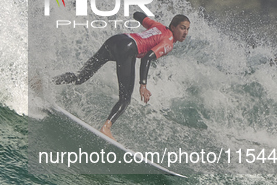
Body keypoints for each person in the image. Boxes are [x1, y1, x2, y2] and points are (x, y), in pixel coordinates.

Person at [53, 12, 190, 140]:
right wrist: (143, 85)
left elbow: (138, 15)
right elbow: (147, 58)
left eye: (187, 29)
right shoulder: (168, 42)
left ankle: (49, 80)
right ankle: (106, 128)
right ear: (173, 27)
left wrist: (140, 17)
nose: (185, 32)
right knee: (125, 99)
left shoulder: (158, 26)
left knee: (80, 77)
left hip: (116, 40)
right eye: (182, 28)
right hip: (127, 49)